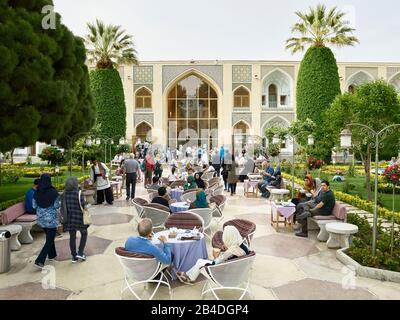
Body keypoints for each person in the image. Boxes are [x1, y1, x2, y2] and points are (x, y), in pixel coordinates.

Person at [176, 226, 249, 284]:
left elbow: (215, 263)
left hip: (223, 272)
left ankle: (190, 278)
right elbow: (234, 255)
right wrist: (227, 249)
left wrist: (215, 256)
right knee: (201, 261)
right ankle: (187, 275)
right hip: (236, 271)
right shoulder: (244, 246)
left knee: (200, 261)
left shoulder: (231, 251)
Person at [33, 174, 60, 269]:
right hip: (51, 220)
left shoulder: (37, 192)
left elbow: (34, 206)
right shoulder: (54, 192)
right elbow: (57, 206)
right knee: (49, 239)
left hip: (41, 220)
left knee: (49, 237)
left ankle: (52, 254)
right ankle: (39, 260)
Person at [61, 177, 88, 263]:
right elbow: (83, 205)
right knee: (84, 234)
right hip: (79, 218)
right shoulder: (79, 193)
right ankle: (80, 252)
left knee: (72, 237)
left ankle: (73, 256)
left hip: (69, 219)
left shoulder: (64, 194)